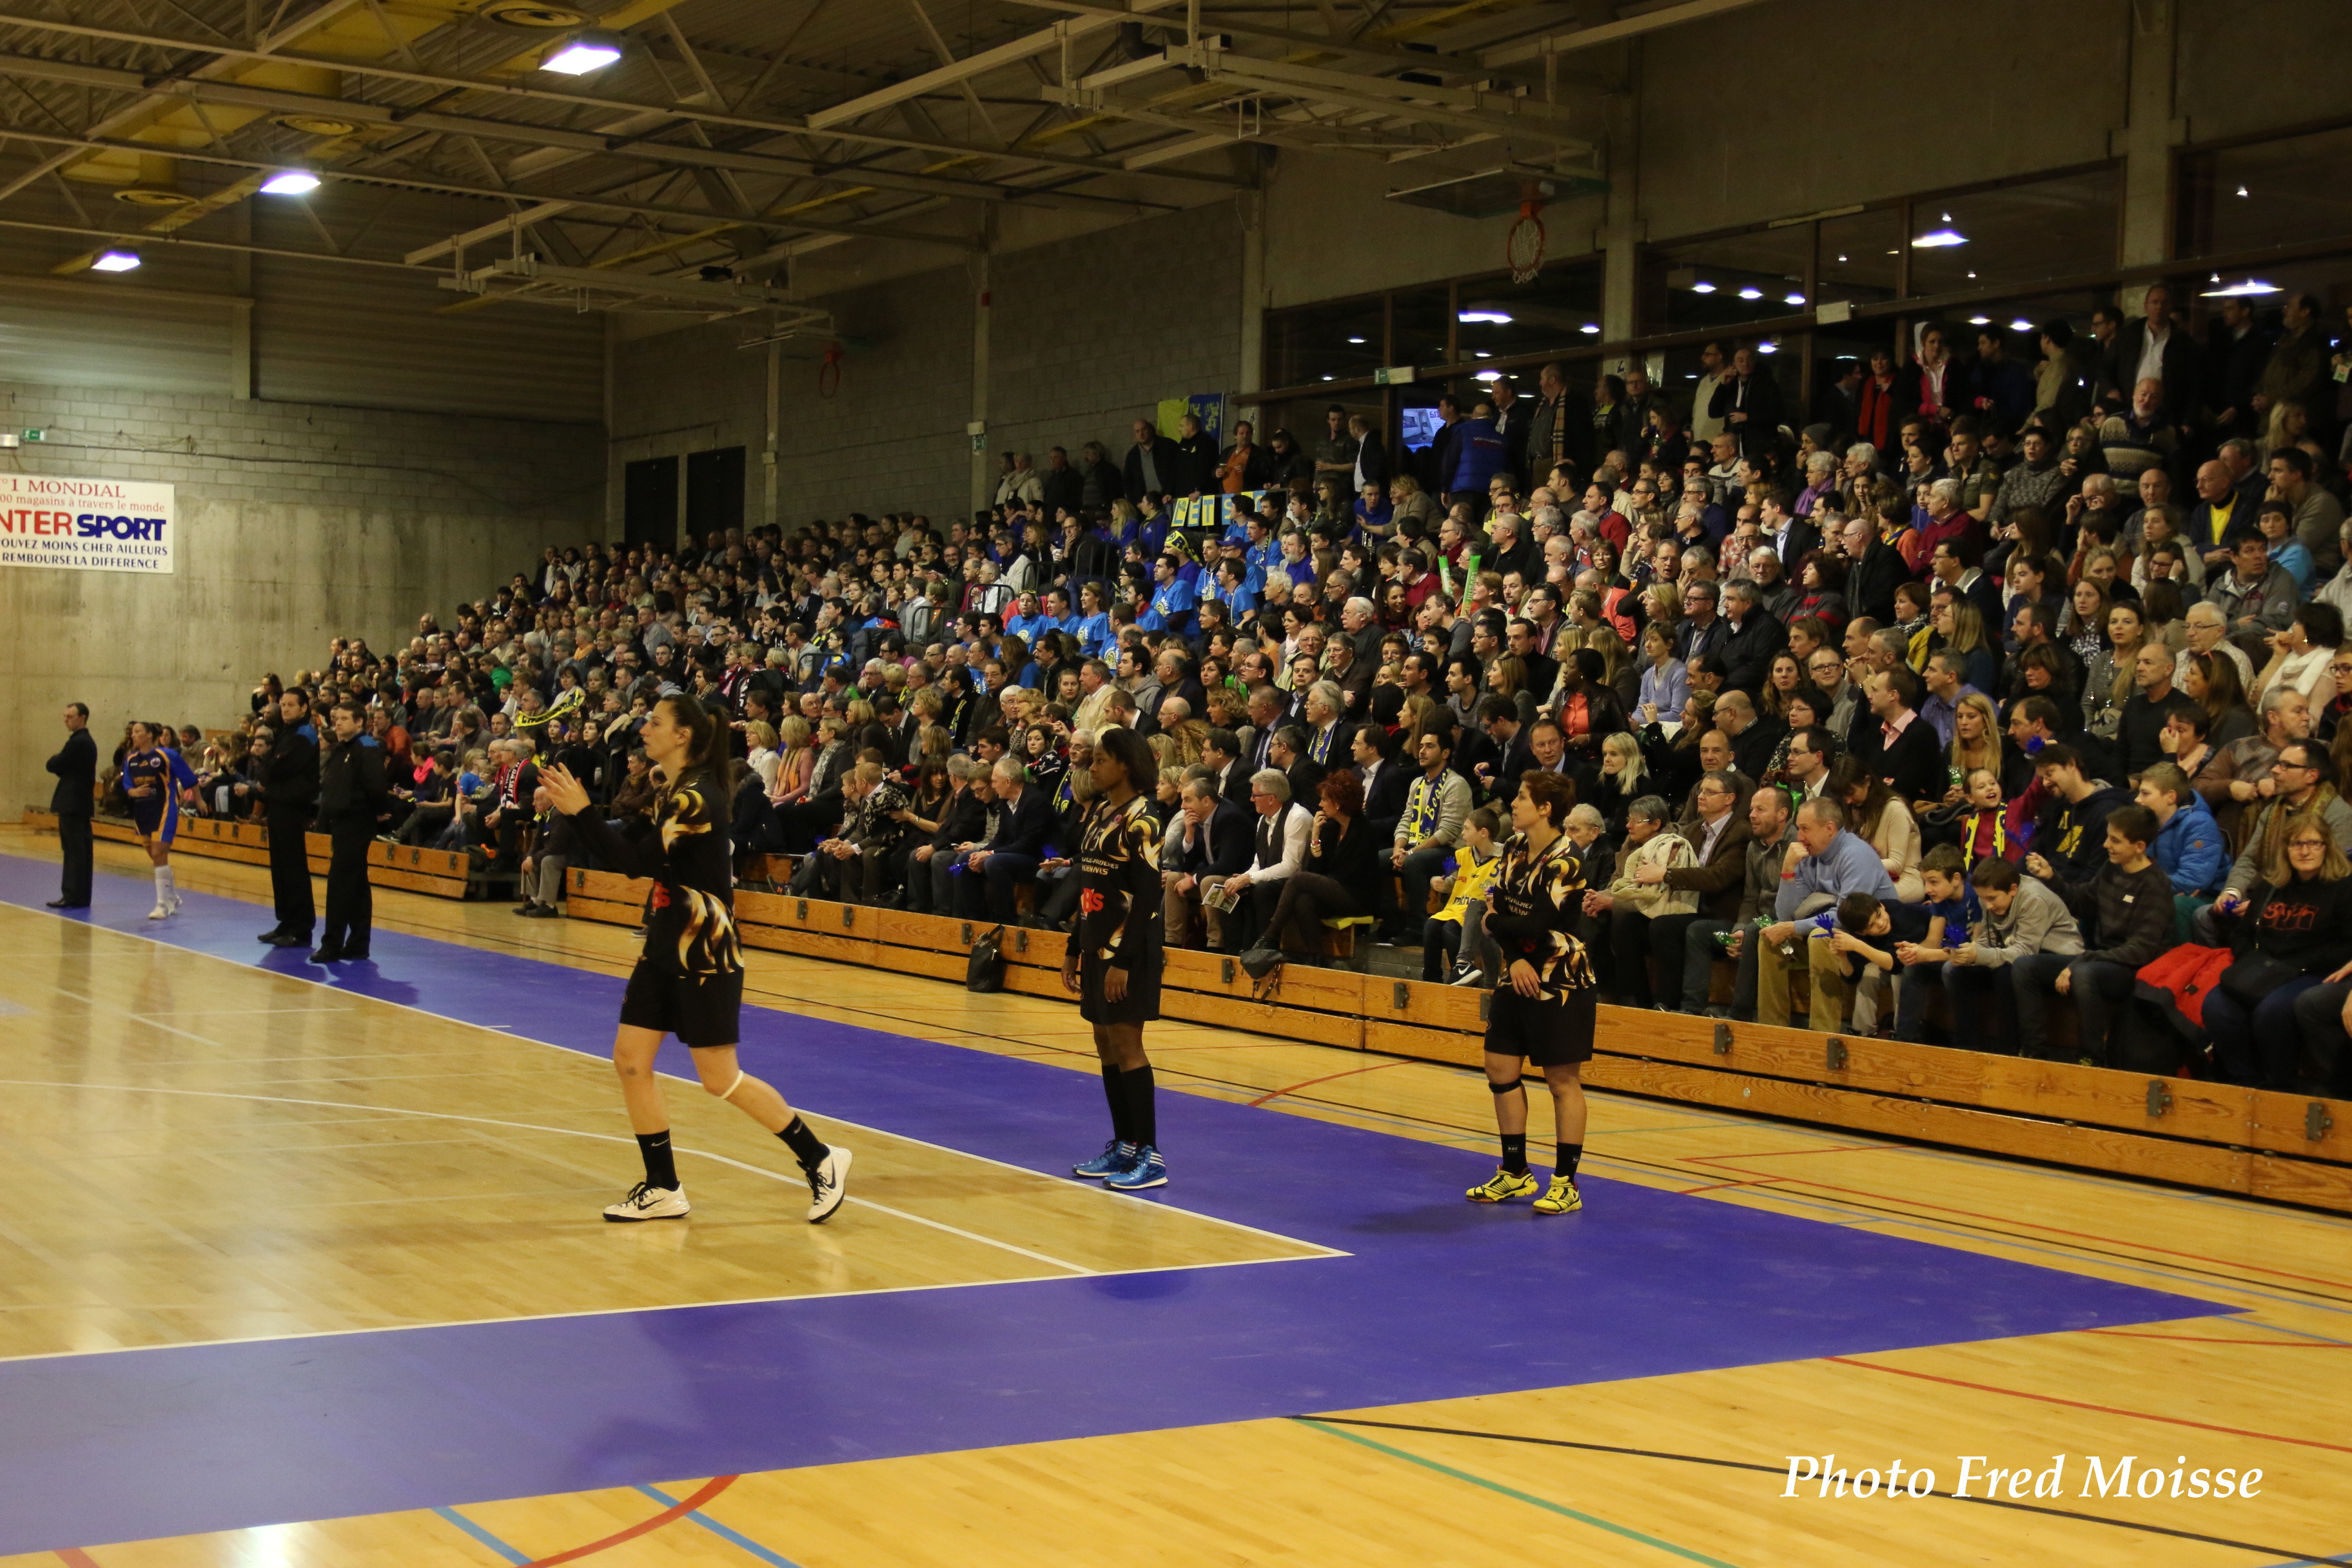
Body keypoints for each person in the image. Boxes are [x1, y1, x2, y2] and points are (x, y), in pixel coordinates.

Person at [541, 692, 851, 1226]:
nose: (644, 729)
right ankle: (662, 1186)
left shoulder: (697, 799)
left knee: (719, 1077)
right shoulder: (675, 791)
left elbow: (634, 863)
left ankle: (820, 1157)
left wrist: (581, 813)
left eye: (655, 722)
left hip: (704, 950)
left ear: (683, 735)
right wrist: (584, 813)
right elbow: (639, 850)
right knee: (631, 1060)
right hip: (665, 941)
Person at [1464, 772, 1596, 1217]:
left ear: (1545, 808)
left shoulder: (1567, 860)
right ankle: (1516, 1171)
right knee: (1499, 1064)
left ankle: (1566, 1182)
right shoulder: (1516, 849)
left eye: (1522, 798)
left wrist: (1497, 927)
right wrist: (1512, 954)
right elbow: (1495, 906)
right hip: (1516, 968)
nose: (1514, 805)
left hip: (1560, 975)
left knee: (1562, 1080)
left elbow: (1535, 924)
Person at [1062, 725, 1170, 1191]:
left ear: (1125, 764)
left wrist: (1123, 960)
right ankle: (1124, 1144)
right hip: (1094, 942)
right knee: (1105, 1042)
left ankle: (1150, 1153)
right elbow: (1087, 887)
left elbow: (1147, 895)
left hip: (1128, 948)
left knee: (1127, 1045)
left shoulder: (1144, 818)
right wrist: (1073, 946)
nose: (1094, 765)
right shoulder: (1101, 813)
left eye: (1102, 758)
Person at [2203, 817, 2352, 1090]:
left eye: (2313, 843)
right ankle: (2245, 1081)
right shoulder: (2272, 885)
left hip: (2310, 971)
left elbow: (2347, 945)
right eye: (2296, 844)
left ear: (2327, 846)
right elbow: (2243, 934)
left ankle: (2277, 1086)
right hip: (2265, 967)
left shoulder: (2344, 886)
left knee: (2271, 1012)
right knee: (2217, 1005)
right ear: (2285, 849)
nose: (2305, 851)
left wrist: (2301, 964)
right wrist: (2251, 960)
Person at [2021, 805, 2174, 1066]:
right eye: (2107, 837)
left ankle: (2092, 1058)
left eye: (2115, 840)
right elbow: (2081, 902)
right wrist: (2051, 877)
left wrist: (2085, 960)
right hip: (2100, 959)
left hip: (2132, 969)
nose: (2106, 845)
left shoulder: (2155, 885)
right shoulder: (2111, 869)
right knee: (2025, 966)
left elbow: (2141, 949)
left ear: (2139, 846)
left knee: (2084, 973)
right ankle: (2034, 1052)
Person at [1754, 796, 1897, 1032]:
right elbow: (1785, 914)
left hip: (1871, 936)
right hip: (1837, 931)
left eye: (1805, 829)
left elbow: (1847, 917)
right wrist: (1788, 869)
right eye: (1798, 829)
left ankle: (1824, 1034)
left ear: (1829, 828)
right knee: (1769, 939)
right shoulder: (1809, 856)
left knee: (1821, 936)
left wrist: (1792, 928)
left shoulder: (1855, 854)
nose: (1799, 837)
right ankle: (1772, 1030)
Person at [1938, 856, 2083, 1054]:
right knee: (1953, 971)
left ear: (2013, 889)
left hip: (2059, 957)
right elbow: (1989, 940)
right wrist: (1966, 953)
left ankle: (2011, 1052)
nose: (1987, 905)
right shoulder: (1988, 897)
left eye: (1992, 899)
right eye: (1983, 898)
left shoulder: (2033, 898)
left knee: (2007, 972)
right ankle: (1968, 1047)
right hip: (2018, 955)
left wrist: (1979, 955)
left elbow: (2025, 951)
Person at [312, 700, 390, 963]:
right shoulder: (341, 748)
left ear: (360, 722)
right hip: (341, 821)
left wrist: (380, 810)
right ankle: (358, 944)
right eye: (336, 718)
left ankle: (332, 944)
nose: (338, 722)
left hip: (357, 821)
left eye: (345, 718)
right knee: (356, 885)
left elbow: (376, 785)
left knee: (340, 883)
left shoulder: (366, 747)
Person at [248, 690, 320, 948]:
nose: (286, 709)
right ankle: (286, 921)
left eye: (292, 705)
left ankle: (301, 928)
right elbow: (272, 766)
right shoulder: (287, 731)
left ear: (304, 707)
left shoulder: (304, 734)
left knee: (293, 867)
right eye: (284, 705)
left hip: (292, 805)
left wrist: (267, 774)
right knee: (279, 866)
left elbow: (278, 767)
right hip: (278, 804)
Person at [119, 718, 200, 920]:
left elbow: (190, 778)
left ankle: (162, 905)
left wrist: (199, 800)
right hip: (143, 812)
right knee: (156, 857)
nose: (133, 735)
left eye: (138, 732)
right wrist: (133, 792)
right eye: (133, 732)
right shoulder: (130, 759)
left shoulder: (167, 755)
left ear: (149, 736)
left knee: (158, 853)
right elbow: (127, 785)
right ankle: (172, 896)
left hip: (164, 808)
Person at [45, 701, 95, 909]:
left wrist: (56, 762)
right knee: (81, 850)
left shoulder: (78, 742)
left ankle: (71, 895)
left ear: (82, 718)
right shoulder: (86, 741)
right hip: (80, 802)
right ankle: (80, 895)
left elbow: (55, 764)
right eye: (65, 716)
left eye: (70, 716)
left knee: (73, 850)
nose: (66, 720)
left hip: (72, 802)